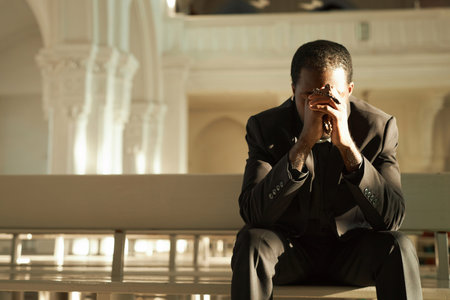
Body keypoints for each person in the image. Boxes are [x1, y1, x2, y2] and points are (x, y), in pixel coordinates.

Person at [231, 40, 422, 299]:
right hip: (289, 252)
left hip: (351, 255)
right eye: (308, 96)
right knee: (251, 242)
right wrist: (303, 144)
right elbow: (255, 214)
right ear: (292, 89)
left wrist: (347, 148)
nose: (320, 107)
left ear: (349, 90)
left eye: (334, 97)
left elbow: (390, 218)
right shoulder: (265, 128)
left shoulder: (377, 128)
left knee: (398, 246)